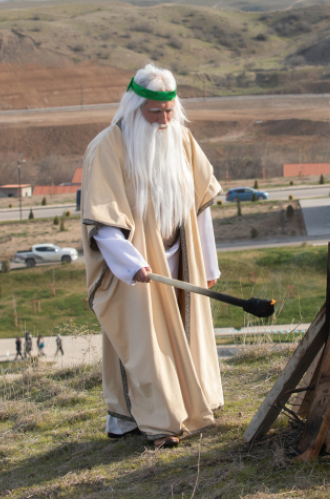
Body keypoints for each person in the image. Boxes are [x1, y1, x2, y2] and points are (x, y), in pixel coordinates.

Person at [80, 64, 223, 450]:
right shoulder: (108, 147)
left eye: (169, 111)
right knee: (146, 344)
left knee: (184, 332)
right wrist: (131, 264)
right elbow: (102, 218)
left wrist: (208, 265)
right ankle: (159, 423)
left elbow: (201, 208)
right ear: (135, 107)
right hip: (135, 265)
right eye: (154, 112)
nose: (163, 120)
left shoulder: (184, 141)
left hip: (182, 259)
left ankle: (193, 403)